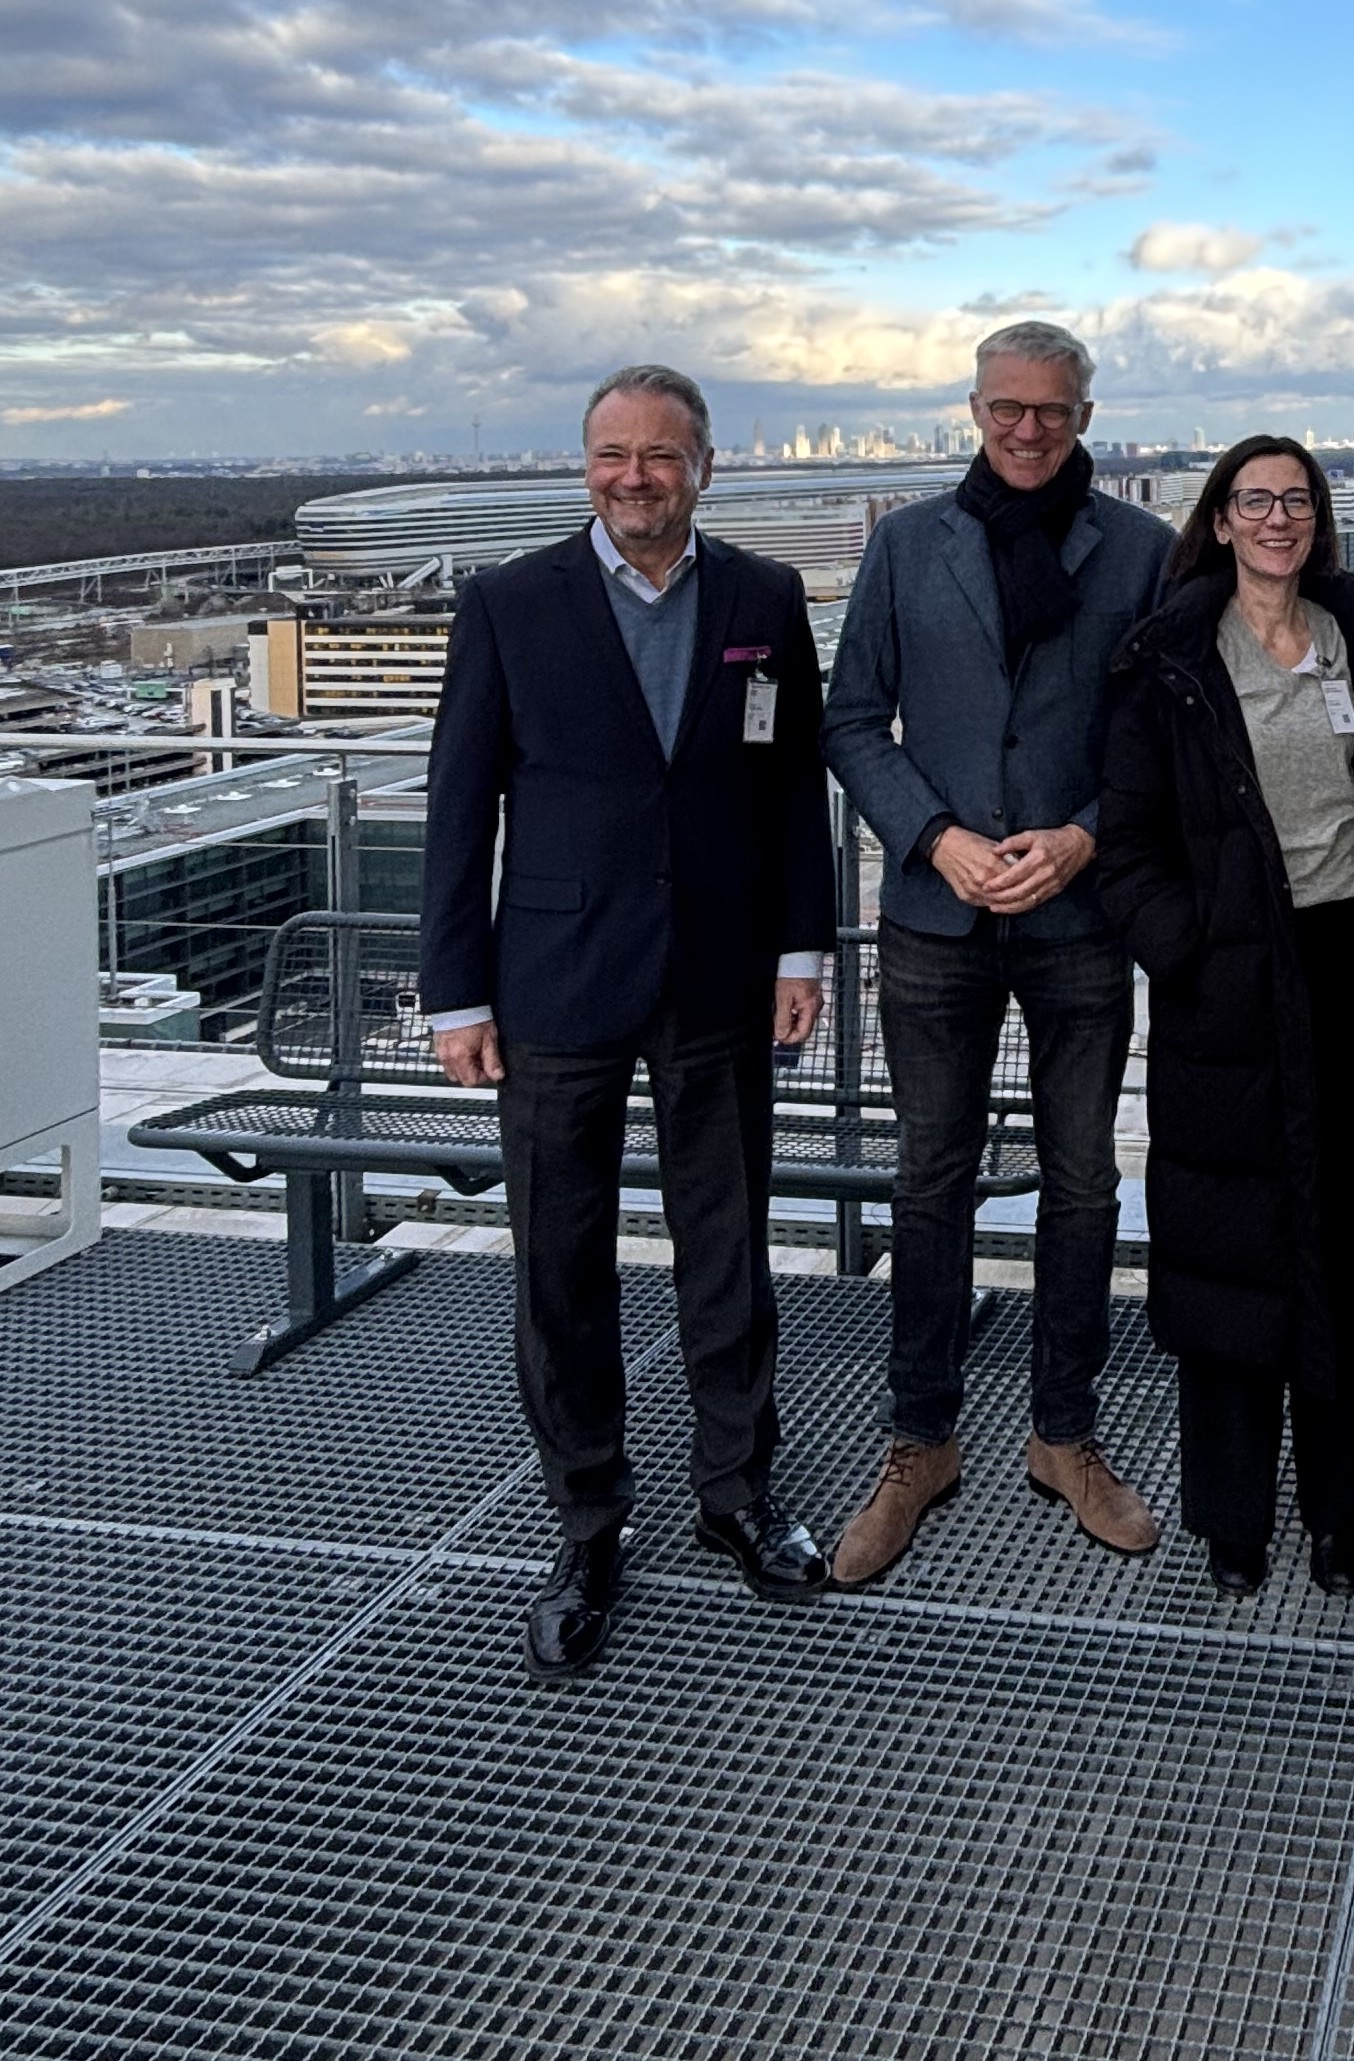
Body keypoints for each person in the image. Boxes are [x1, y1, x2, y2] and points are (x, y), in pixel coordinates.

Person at [420, 363, 838, 1678]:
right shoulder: (508, 603)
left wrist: (803, 948)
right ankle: (589, 1521)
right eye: (613, 454)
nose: (635, 477)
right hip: (555, 980)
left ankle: (737, 1493)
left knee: (730, 1245)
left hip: (719, 972)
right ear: (585, 464)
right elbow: (458, 804)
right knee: (561, 1261)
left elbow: (792, 793)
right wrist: (455, 992)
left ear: (704, 465)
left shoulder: (764, 599)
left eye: (661, 455)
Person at [1095, 438, 1354, 1597]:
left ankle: (1344, 1512)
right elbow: (1127, 847)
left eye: (1296, 501)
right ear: (1218, 520)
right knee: (1233, 1251)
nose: (1277, 519)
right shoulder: (1167, 659)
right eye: (1254, 501)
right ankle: (1234, 1519)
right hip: (1231, 989)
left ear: (1318, 518)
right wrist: (1191, 953)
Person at [820, 320, 1169, 1584]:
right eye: (1006, 409)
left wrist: (1085, 838)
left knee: (1083, 1186)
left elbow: (1163, 739)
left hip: (1079, 922)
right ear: (973, 410)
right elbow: (851, 720)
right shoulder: (907, 543)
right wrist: (936, 837)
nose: (1028, 430)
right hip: (939, 915)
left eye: (1052, 411)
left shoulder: (1140, 550)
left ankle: (1063, 1435)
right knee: (930, 1183)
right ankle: (920, 1442)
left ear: (1086, 417)